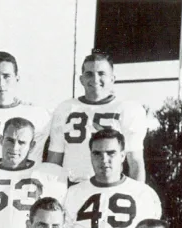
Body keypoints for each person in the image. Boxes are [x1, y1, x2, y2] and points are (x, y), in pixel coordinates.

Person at [63, 128, 161, 228]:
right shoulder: (73, 193)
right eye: (97, 154)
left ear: (122, 156)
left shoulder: (144, 193)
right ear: (90, 156)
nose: (104, 160)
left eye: (111, 153)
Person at [47, 52, 149, 182]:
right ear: (81, 79)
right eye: (89, 74)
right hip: (72, 187)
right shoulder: (65, 108)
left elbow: (135, 162)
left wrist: (137, 196)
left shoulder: (127, 109)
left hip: (110, 186)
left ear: (112, 79)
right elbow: (53, 162)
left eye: (101, 73)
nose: (95, 79)